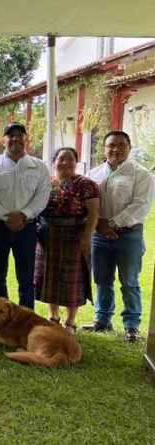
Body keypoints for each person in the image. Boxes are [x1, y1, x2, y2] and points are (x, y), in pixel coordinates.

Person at [82, 130, 155, 341]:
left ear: (129, 148)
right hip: (99, 236)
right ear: (104, 149)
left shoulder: (141, 175)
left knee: (129, 281)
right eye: (111, 145)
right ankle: (102, 320)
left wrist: (112, 223)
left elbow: (140, 206)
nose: (116, 149)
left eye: (121, 145)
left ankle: (131, 325)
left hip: (128, 236)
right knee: (102, 280)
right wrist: (99, 227)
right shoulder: (94, 174)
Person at [0, 122, 51, 309]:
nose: (15, 139)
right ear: (3, 140)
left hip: (27, 227)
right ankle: (0, 321)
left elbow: (42, 195)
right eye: (11, 135)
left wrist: (23, 215)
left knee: (26, 278)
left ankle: (26, 319)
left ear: (26, 139)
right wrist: (6, 217)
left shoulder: (38, 167)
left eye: (20, 135)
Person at [33, 147, 99, 335]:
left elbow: (94, 213)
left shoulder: (86, 184)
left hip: (75, 236)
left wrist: (87, 236)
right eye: (61, 159)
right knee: (50, 278)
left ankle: (70, 322)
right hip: (47, 236)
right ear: (53, 162)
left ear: (76, 162)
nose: (65, 163)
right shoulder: (45, 183)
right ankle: (53, 317)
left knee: (73, 280)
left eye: (70, 159)